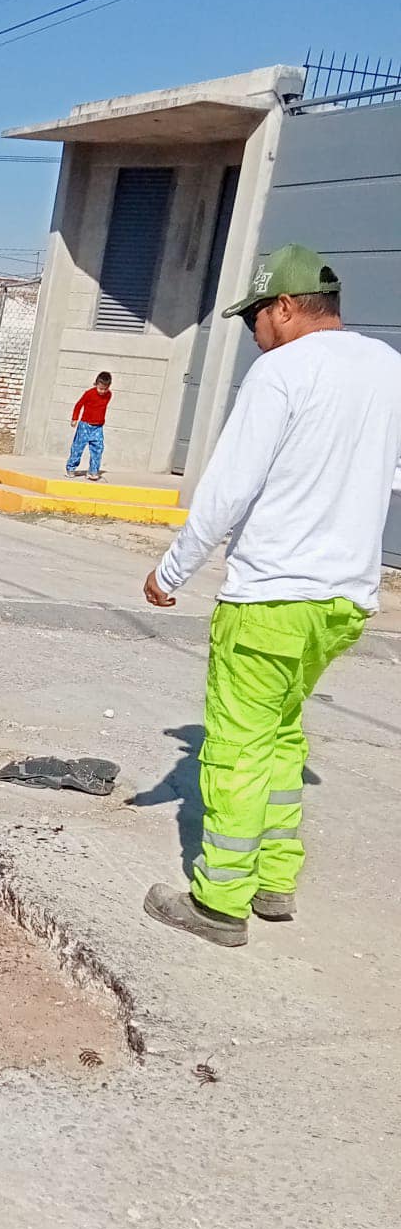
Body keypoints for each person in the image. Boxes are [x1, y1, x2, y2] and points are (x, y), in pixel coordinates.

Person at [141, 244, 401, 947]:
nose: (252, 331)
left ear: (285, 307)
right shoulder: (386, 367)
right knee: (283, 737)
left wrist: (171, 572)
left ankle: (219, 900)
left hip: (271, 596)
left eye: (255, 316)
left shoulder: (281, 370)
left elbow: (229, 487)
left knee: (234, 747)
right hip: (343, 600)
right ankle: (274, 882)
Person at [67, 371, 112, 480]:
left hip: (98, 427)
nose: (102, 391)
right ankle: (71, 468)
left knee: (98, 449)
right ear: (95, 384)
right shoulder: (89, 393)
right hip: (85, 425)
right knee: (78, 447)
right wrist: (74, 418)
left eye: (105, 389)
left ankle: (93, 471)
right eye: (100, 388)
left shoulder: (109, 395)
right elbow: (79, 405)